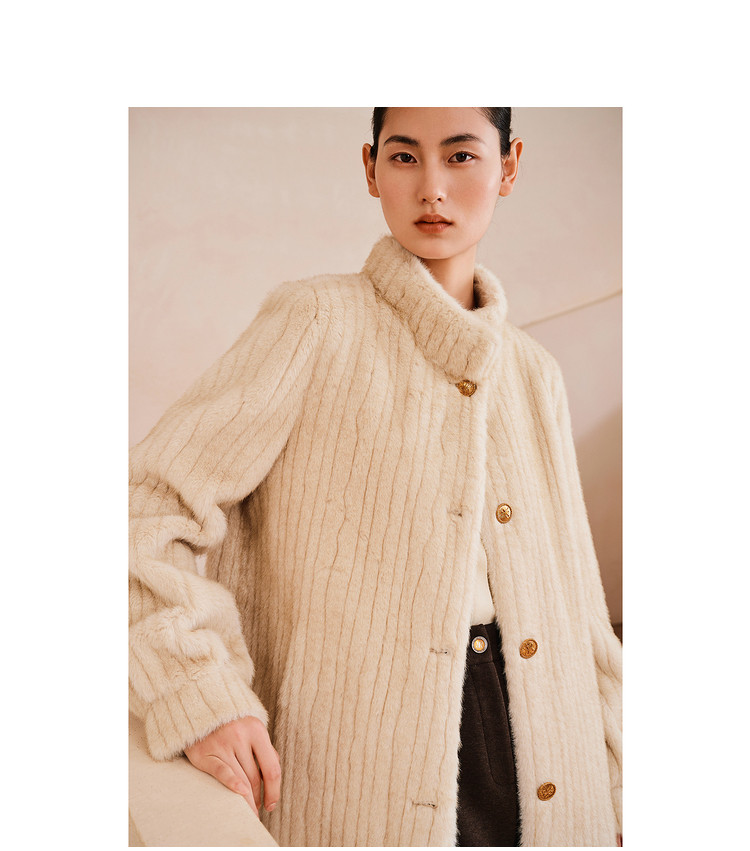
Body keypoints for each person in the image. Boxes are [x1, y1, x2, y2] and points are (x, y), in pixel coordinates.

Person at [129, 107, 623, 847]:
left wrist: (619, 788)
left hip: (552, 747)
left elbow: (582, 607)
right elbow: (148, 508)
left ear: (509, 166)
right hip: (366, 757)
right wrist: (200, 693)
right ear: (371, 169)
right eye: (404, 157)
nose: (432, 188)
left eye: (461, 156)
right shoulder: (316, 321)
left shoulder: (534, 371)